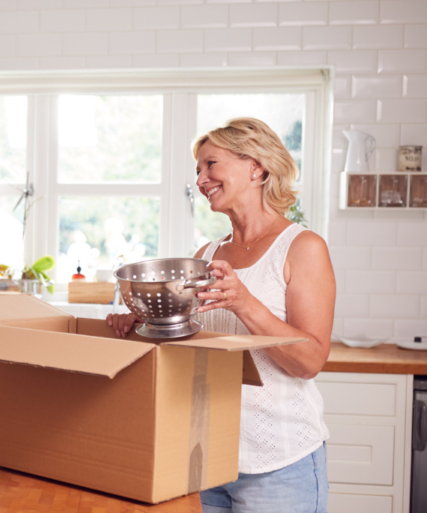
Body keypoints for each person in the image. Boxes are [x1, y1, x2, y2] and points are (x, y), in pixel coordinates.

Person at [107, 117, 334, 513]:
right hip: (206, 459)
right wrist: (140, 324)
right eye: (197, 169)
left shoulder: (302, 247)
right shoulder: (206, 256)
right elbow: (189, 346)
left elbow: (310, 361)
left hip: (279, 465)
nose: (200, 179)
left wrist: (244, 302)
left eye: (211, 164)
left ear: (256, 166)